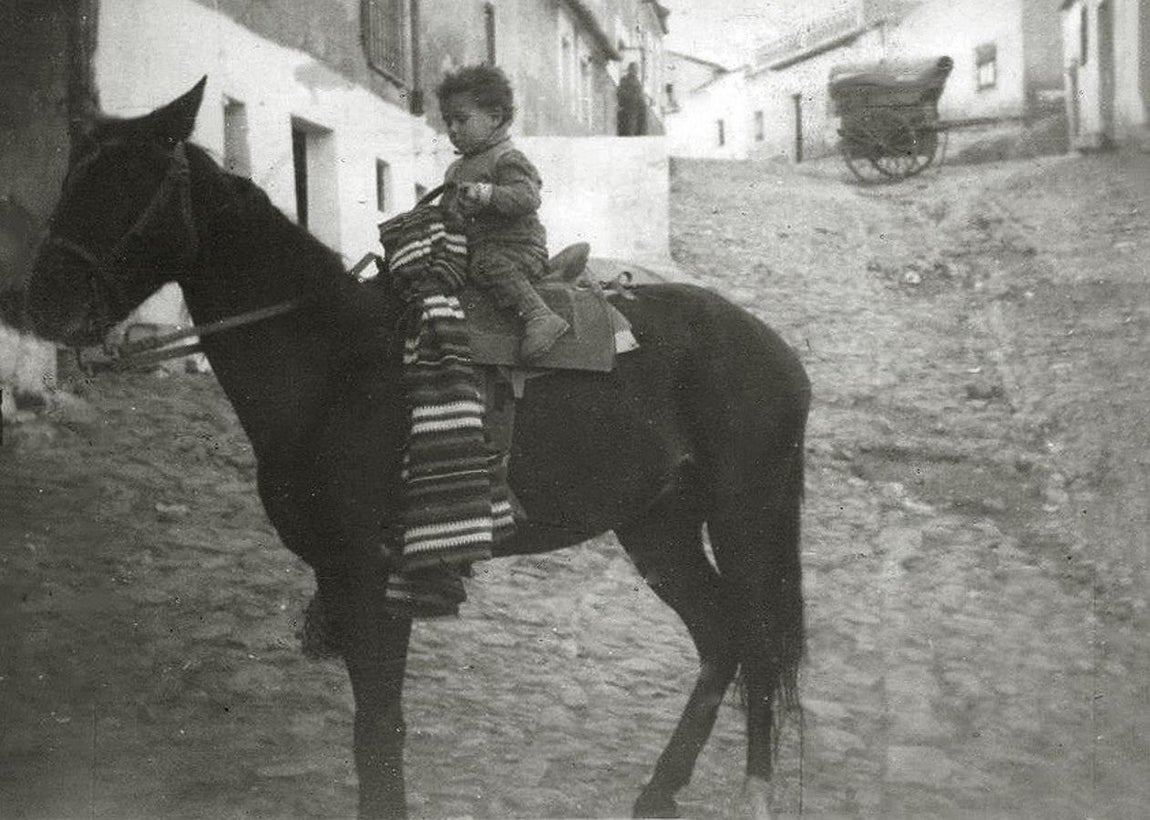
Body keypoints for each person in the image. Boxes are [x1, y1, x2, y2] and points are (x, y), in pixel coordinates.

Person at [435, 65, 570, 361]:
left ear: (495, 118)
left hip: (516, 249)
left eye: (461, 119)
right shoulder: (456, 168)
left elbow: (527, 196)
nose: (453, 130)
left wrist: (487, 194)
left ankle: (539, 316)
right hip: (475, 249)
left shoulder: (506, 158)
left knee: (487, 264)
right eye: (448, 121)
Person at [616, 62, 647, 137]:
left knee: (637, 133)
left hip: (638, 111)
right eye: (634, 69)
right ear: (630, 70)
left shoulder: (637, 82)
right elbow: (620, 93)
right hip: (628, 110)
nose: (636, 71)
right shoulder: (624, 80)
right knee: (628, 132)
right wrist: (634, 97)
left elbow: (640, 96)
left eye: (637, 70)